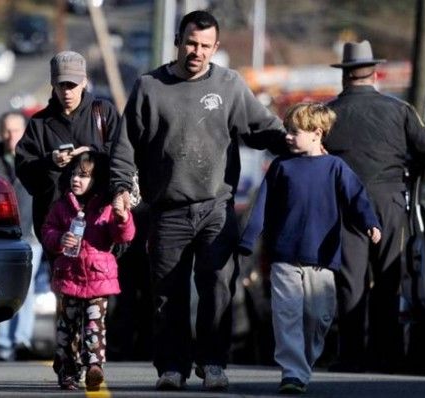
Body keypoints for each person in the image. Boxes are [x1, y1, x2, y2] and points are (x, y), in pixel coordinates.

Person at [109, 10, 288, 391]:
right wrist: (121, 187)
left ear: (216, 48)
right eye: (191, 43)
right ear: (178, 40)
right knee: (168, 295)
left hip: (215, 209)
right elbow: (125, 147)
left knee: (218, 289)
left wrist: (291, 140)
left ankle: (213, 363)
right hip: (167, 211)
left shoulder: (229, 85)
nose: (197, 52)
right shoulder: (148, 87)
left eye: (206, 46)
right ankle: (172, 367)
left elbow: (261, 127)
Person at [239, 102, 381, 394]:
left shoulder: (335, 168)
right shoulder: (281, 166)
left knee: (319, 317)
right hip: (284, 258)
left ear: (317, 133)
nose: (287, 136)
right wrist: (248, 238)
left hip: (322, 259)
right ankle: (292, 372)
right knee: (286, 314)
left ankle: (302, 363)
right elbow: (261, 206)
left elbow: (357, 197)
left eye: (294, 131)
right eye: (287, 130)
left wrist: (370, 222)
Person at [324, 40, 425, 372]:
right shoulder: (399, 110)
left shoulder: (329, 113)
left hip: (346, 203)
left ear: (345, 76)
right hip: (389, 201)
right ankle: (387, 354)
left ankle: (351, 356)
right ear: (375, 73)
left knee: (351, 282)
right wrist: (421, 174)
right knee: (388, 278)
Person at [41, 151, 135, 391]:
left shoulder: (105, 207)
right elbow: (47, 231)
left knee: (95, 324)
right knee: (67, 327)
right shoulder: (62, 206)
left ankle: (94, 367)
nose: (76, 180)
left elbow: (123, 235)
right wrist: (60, 238)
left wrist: (123, 218)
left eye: (84, 176)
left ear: (97, 179)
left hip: (97, 278)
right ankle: (67, 368)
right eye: (74, 174)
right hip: (69, 277)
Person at [15, 50, 119, 248]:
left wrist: (91, 155)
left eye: (72, 85)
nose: (66, 92)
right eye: (61, 85)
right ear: (53, 85)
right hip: (57, 225)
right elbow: (24, 169)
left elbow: (123, 155)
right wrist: (50, 162)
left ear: (84, 82)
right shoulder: (39, 123)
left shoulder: (104, 114)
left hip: (100, 222)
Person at [0, 111, 43, 361]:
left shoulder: (36, 159)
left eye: (16, 130)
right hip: (0, 237)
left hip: (30, 235)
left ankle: (22, 339)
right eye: (6, 130)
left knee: (25, 289)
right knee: (1, 289)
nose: (10, 136)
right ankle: (3, 343)